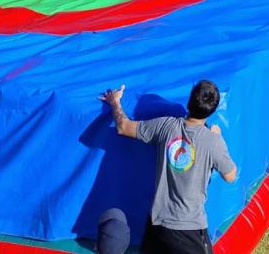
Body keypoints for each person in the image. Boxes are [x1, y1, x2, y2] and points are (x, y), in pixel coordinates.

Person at [99, 81, 237, 254]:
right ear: (212, 111)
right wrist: (219, 137)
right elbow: (230, 176)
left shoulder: (166, 126)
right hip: (189, 229)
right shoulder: (213, 142)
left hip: (157, 225)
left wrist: (115, 102)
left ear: (189, 102)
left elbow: (123, 127)